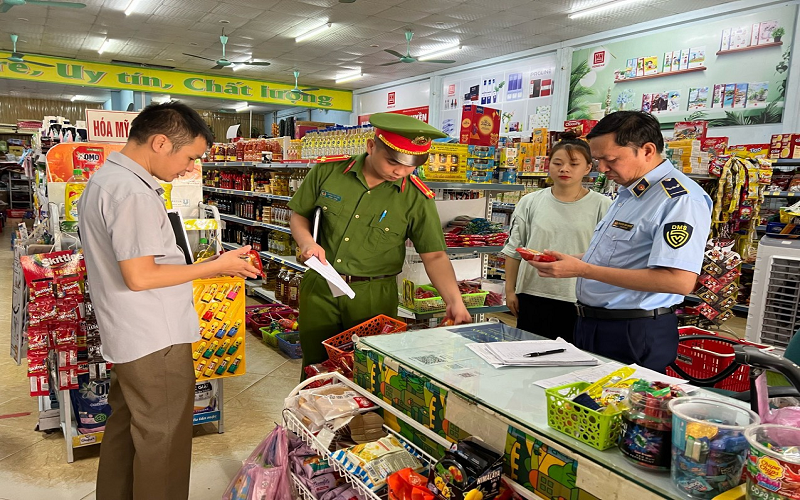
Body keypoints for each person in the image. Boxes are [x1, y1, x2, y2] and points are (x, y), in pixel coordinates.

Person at [78, 101, 259, 500]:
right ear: (161, 143)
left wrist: (211, 262)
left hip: (129, 334)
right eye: (190, 157)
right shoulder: (133, 193)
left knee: (127, 429)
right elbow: (141, 276)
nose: (191, 168)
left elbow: (145, 262)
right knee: (164, 439)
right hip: (154, 339)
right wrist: (213, 268)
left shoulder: (108, 179)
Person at [526, 111, 712, 373]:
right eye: (598, 159)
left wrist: (583, 270)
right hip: (593, 324)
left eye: (610, 159)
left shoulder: (679, 199)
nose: (602, 169)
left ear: (647, 150)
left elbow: (678, 281)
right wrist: (574, 261)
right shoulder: (631, 191)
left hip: (633, 330)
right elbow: (624, 254)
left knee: (623, 409)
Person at [288, 113, 472, 373]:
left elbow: (435, 256)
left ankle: (360, 416)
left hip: (374, 295)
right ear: (371, 146)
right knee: (316, 366)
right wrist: (307, 243)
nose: (401, 171)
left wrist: (454, 300)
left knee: (367, 370)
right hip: (321, 287)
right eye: (393, 161)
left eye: (411, 165)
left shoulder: (417, 198)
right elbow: (299, 215)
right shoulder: (327, 172)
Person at [502, 133, 611, 341]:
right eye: (558, 163)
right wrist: (510, 290)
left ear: (588, 168)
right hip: (533, 293)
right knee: (529, 359)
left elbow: (607, 254)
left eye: (574, 164)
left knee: (574, 363)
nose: (564, 169)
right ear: (548, 165)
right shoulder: (530, 202)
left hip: (579, 298)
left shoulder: (602, 205)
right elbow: (513, 249)